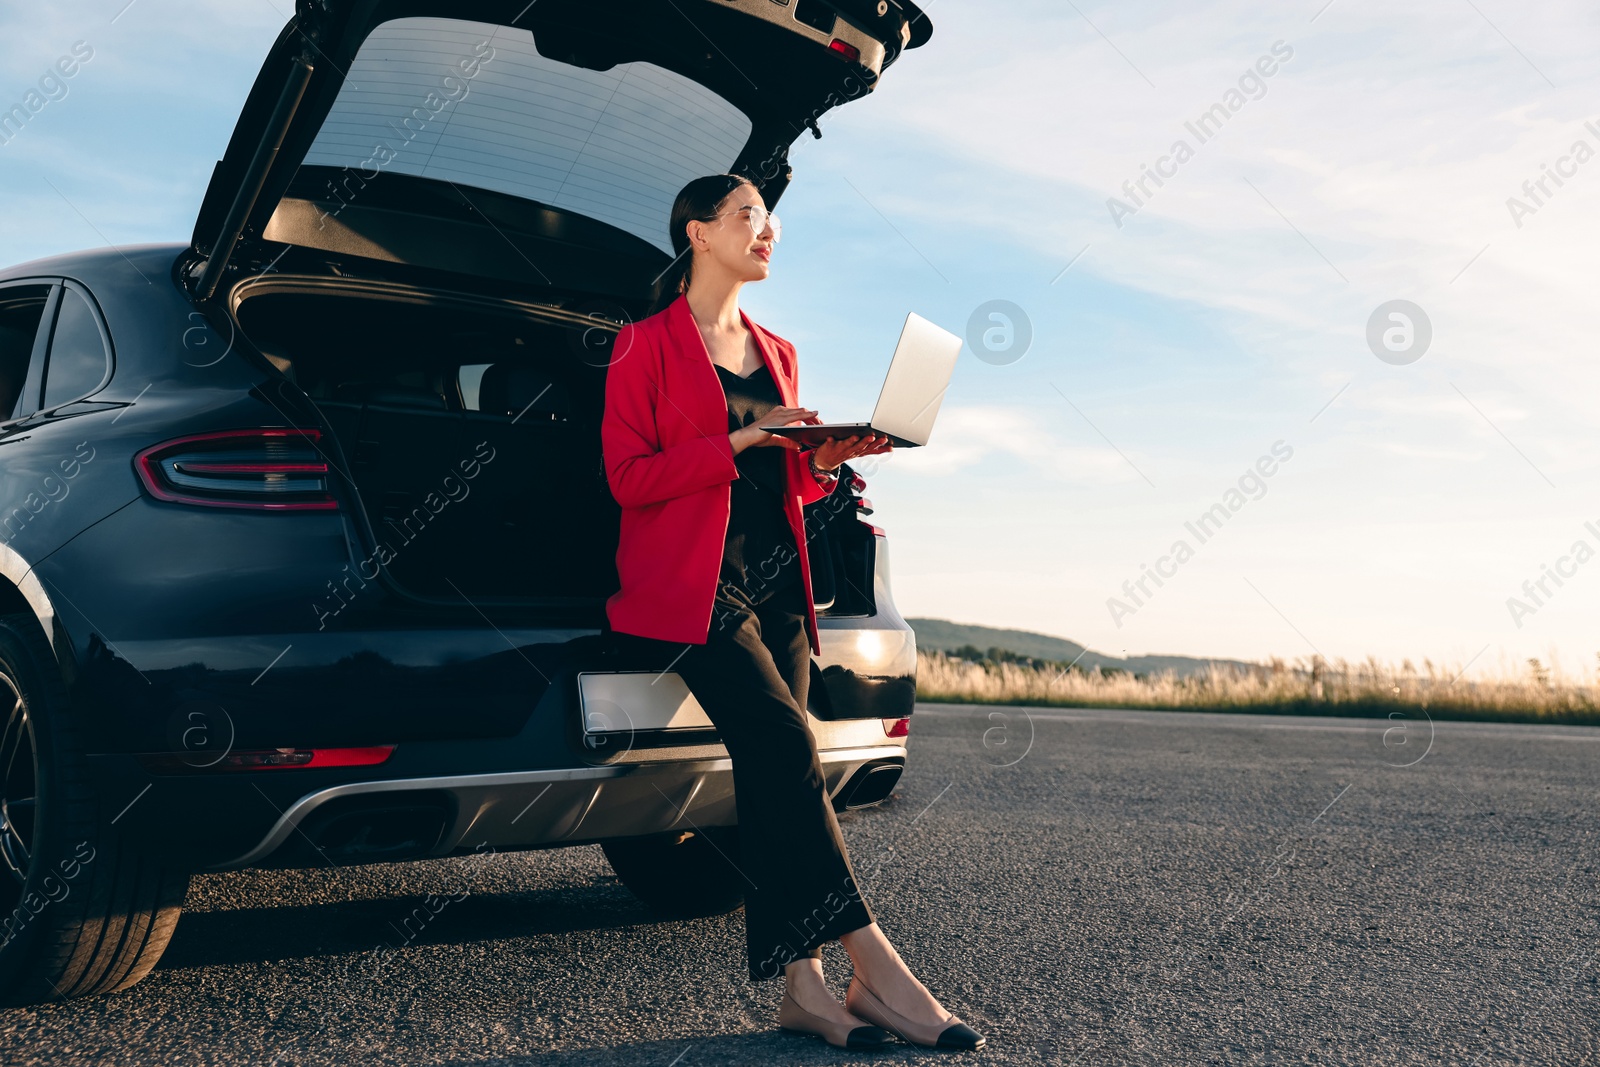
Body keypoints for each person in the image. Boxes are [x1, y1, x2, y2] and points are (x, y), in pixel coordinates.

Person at [599, 172, 985, 1052]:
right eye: (746, 216)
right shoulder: (643, 346)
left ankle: (805, 991)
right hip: (690, 592)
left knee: (779, 766)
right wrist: (737, 438)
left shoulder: (778, 348)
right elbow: (626, 478)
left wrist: (826, 457)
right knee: (782, 744)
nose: (765, 232)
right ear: (697, 233)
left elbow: (791, 486)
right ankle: (875, 961)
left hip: (777, 584)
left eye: (769, 220)